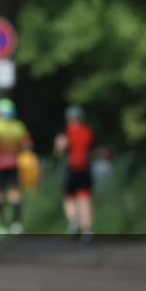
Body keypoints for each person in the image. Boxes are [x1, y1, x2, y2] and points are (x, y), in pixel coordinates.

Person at [0, 98, 32, 234]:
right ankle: (12, 224)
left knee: (5, 195)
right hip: (7, 163)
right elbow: (27, 145)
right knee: (10, 194)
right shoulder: (18, 126)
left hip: (5, 163)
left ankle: (5, 225)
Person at [55, 104, 95, 242]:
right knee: (84, 199)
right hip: (85, 168)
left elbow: (60, 148)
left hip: (71, 168)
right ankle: (87, 231)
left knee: (69, 198)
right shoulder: (87, 131)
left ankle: (73, 220)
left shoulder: (66, 131)